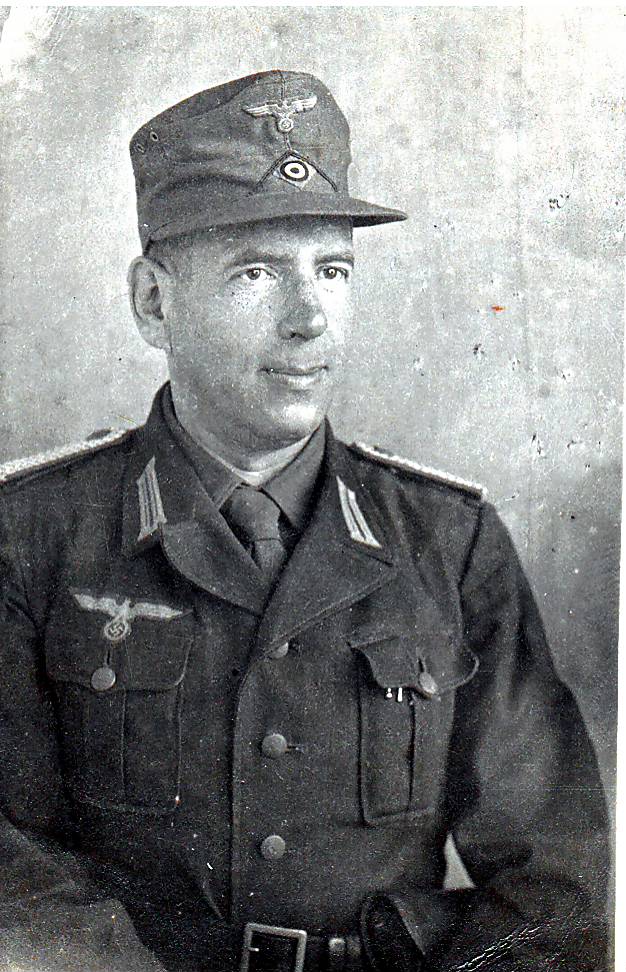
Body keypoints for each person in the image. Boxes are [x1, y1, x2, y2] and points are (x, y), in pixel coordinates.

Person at [0, 70, 609, 972]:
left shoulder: (449, 542)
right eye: (256, 273)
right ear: (154, 303)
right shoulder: (31, 534)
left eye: (332, 270)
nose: (309, 318)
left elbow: (554, 889)